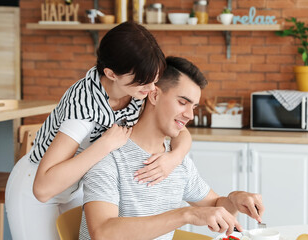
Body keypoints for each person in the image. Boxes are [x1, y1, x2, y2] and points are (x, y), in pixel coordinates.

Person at [5, 22, 192, 240]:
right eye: (143, 81)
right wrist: (105, 145)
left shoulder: (137, 92)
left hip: (78, 185)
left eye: (154, 79)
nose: (152, 89)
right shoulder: (84, 106)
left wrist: (173, 158)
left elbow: (178, 126)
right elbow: (43, 187)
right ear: (111, 74)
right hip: (35, 183)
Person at [79, 56, 264, 240]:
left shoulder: (175, 159)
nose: (190, 115)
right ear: (154, 95)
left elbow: (216, 204)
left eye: (193, 107)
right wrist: (186, 215)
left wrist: (234, 200)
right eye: (182, 103)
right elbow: (103, 232)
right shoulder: (109, 155)